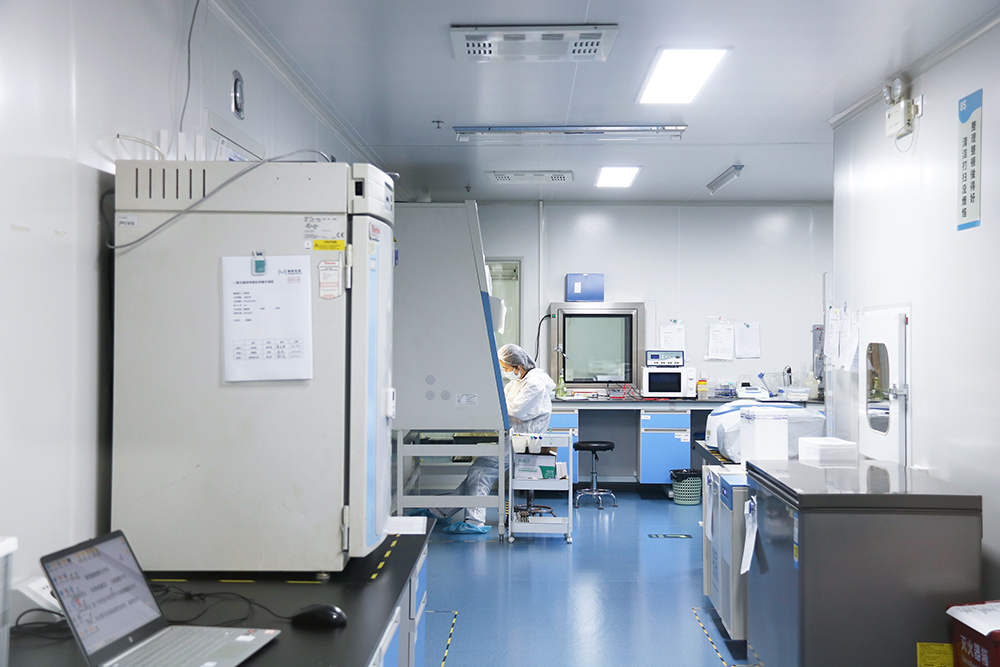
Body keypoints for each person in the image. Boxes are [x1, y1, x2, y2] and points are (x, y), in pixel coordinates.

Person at [422, 343, 556, 534]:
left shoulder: (534, 384)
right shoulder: (518, 382)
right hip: (513, 437)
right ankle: (439, 511)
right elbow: (501, 401)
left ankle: (474, 521)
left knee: (480, 471)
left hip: (523, 441)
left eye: (506, 367)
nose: (505, 371)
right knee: (475, 474)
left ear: (518, 366)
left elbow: (515, 409)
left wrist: (496, 404)